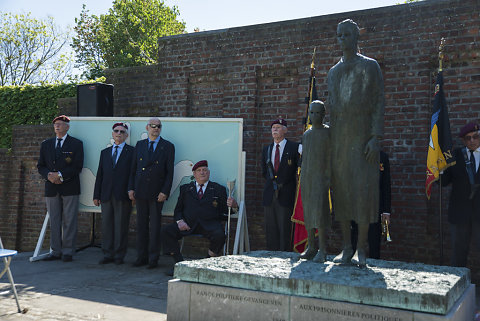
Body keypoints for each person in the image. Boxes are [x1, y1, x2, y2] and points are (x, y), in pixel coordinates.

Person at [327, 19, 385, 266]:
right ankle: (346, 246)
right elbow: (332, 110)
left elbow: (378, 103)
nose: (343, 39)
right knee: (342, 193)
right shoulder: (333, 71)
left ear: (357, 37)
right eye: (339, 35)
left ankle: (362, 246)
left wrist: (375, 137)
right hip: (340, 140)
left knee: (362, 192)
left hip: (363, 140)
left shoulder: (370, 66)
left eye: (347, 35)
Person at [161, 160, 238, 275]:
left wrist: (234, 206)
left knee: (220, 235)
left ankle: (206, 264)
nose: (202, 173)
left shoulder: (218, 189)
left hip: (209, 225)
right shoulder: (186, 189)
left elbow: (225, 211)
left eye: (204, 170)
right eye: (199, 170)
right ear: (194, 174)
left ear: (209, 173)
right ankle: (180, 264)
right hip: (188, 224)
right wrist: (180, 221)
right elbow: (178, 210)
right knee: (166, 231)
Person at [128, 118, 175, 269]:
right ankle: (141, 256)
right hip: (141, 191)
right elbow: (133, 169)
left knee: (155, 227)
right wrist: (131, 188)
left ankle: (153, 258)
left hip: (157, 193)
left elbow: (169, 172)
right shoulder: (140, 145)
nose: (155, 129)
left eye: (158, 126)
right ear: (147, 127)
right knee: (141, 226)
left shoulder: (167, 146)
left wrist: (165, 191)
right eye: (153, 126)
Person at [37, 115, 84, 262]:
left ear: (67, 127)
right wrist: (49, 175)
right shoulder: (46, 144)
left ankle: (68, 251)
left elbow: (77, 166)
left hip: (70, 187)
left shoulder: (76, 144)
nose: (57, 126)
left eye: (60, 124)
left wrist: (61, 175)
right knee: (55, 220)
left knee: (69, 220)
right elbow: (41, 165)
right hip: (51, 187)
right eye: (55, 124)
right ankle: (55, 251)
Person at [93, 122, 134, 265]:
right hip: (106, 194)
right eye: (116, 131)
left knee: (121, 226)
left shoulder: (132, 151)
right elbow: (100, 174)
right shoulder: (105, 152)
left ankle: (119, 255)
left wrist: (131, 190)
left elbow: (132, 174)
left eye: (122, 132)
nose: (119, 133)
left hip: (123, 194)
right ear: (112, 134)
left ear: (126, 135)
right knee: (106, 225)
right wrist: (96, 195)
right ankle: (107, 254)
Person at [442, 121, 480, 267]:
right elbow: (444, 182)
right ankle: (458, 287)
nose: (472, 141)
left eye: (475, 137)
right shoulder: (454, 156)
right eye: (468, 138)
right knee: (458, 254)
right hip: (459, 214)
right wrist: (440, 169)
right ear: (463, 140)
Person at [299, 101, 331, 263]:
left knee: (320, 214)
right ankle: (311, 246)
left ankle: (323, 250)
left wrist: (328, 178)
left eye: (317, 113)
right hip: (307, 178)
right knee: (309, 213)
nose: (313, 116)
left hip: (321, 178)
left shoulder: (328, 133)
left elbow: (332, 158)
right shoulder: (307, 134)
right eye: (311, 113)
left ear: (323, 114)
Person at [262, 118, 301, 251]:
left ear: (285, 130)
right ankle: (271, 255)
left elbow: (297, 169)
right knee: (270, 228)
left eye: (278, 127)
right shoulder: (267, 149)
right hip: (270, 194)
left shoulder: (294, 147)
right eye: (273, 128)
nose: (275, 130)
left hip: (286, 193)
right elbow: (264, 172)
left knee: (285, 227)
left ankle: (284, 255)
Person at [351, 151, 392, 259]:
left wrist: (386, 211)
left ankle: (374, 268)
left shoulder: (382, 157)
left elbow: (385, 185)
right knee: (354, 241)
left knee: (374, 241)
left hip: (375, 207)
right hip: (356, 206)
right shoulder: (353, 154)